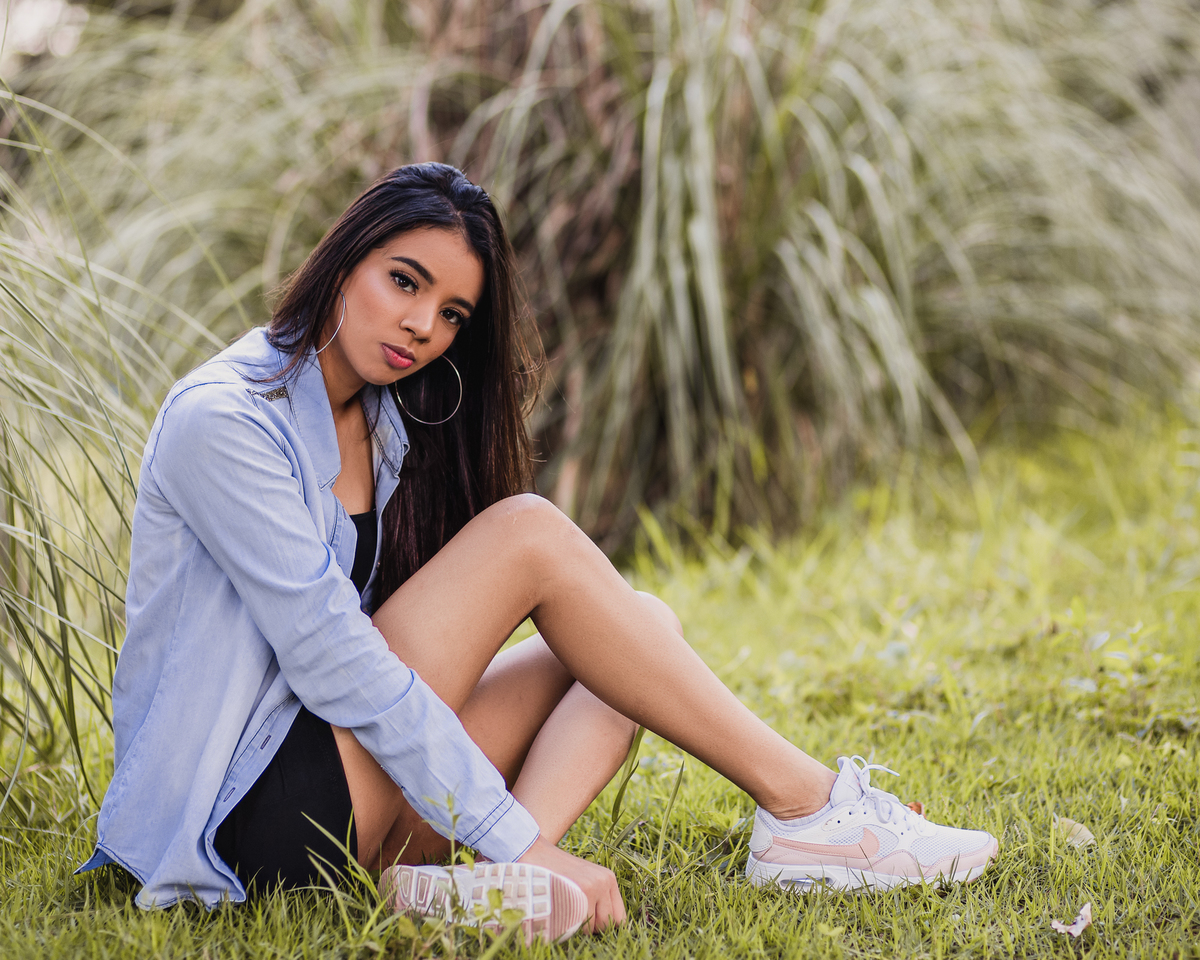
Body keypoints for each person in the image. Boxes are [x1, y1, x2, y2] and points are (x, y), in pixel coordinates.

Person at [79, 163, 998, 941]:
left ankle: (488, 885)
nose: (423, 327)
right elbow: (331, 660)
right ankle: (806, 809)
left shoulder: (382, 419)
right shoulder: (225, 421)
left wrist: (515, 842)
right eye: (404, 282)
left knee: (640, 634)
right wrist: (511, 828)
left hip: (338, 795)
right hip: (242, 817)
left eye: (451, 313)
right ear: (344, 258)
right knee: (526, 532)